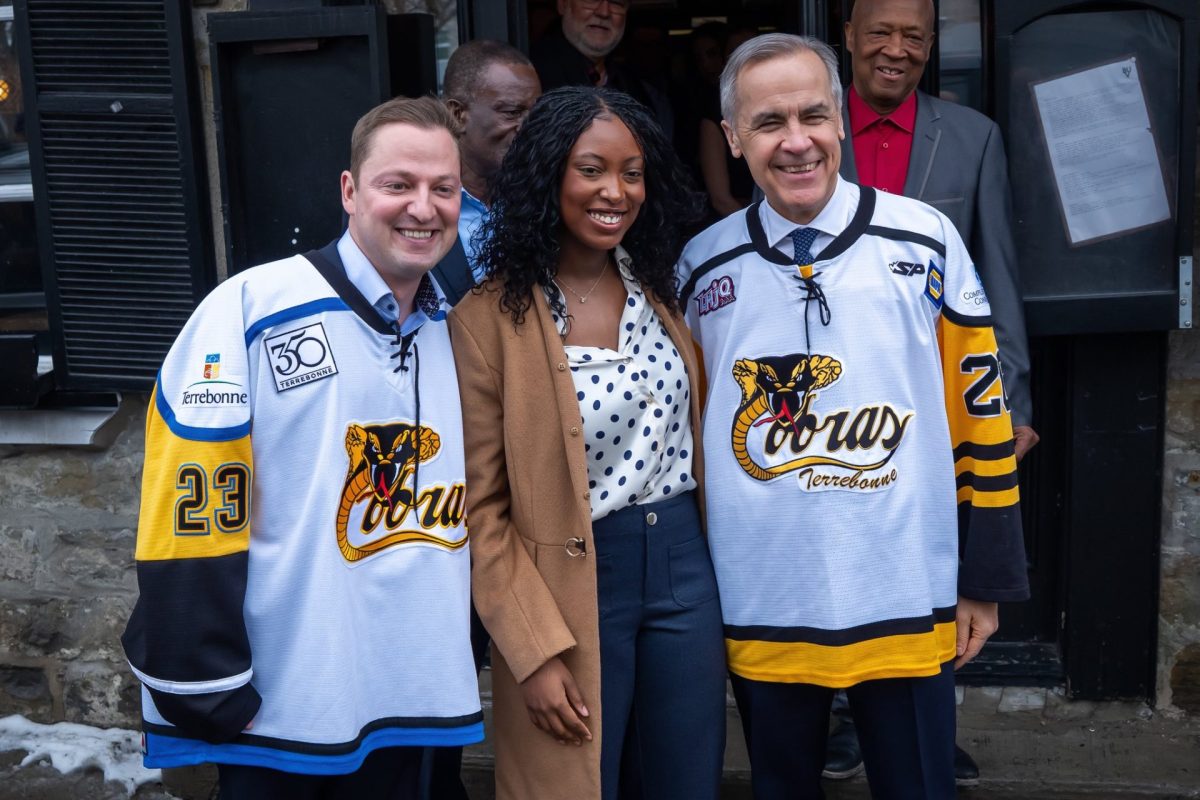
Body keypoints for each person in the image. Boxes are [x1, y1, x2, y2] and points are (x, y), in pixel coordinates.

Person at [677, 33, 1029, 798]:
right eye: (769, 122)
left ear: (840, 118)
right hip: (764, 596)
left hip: (905, 589)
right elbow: (685, 445)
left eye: (813, 115)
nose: (796, 141)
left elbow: (982, 418)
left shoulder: (926, 239)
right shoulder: (700, 268)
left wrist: (986, 577)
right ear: (733, 138)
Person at [121, 96, 482, 798]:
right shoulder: (249, 310)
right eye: (398, 184)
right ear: (350, 191)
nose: (423, 207)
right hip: (283, 710)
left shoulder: (457, 328)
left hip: (417, 701)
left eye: (443, 188)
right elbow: (189, 504)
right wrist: (200, 677)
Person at [450, 87, 726, 800]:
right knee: (575, 781)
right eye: (592, 170)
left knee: (683, 778)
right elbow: (479, 512)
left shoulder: (662, 292)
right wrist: (531, 652)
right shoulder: (485, 321)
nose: (615, 192)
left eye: (632, 173)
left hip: (684, 570)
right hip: (568, 584)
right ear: (548, 175)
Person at [828, 0, 1039, 782]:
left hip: (940, 401)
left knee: (932, 566)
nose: (896, 49)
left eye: (914, 36)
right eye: (880, 32)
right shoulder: (809, 130)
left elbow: (998, 275)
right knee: (839, 557)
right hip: (836, 403)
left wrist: (1010, 403)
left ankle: (924, 723)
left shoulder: (974, 138)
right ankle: (840, 719)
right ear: (848, 36)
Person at [440, 39, 542, 292]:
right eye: (512, 112)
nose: (529, 128)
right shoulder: (417, 206)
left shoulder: (541, 199)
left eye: (536, 113)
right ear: (457, 115)